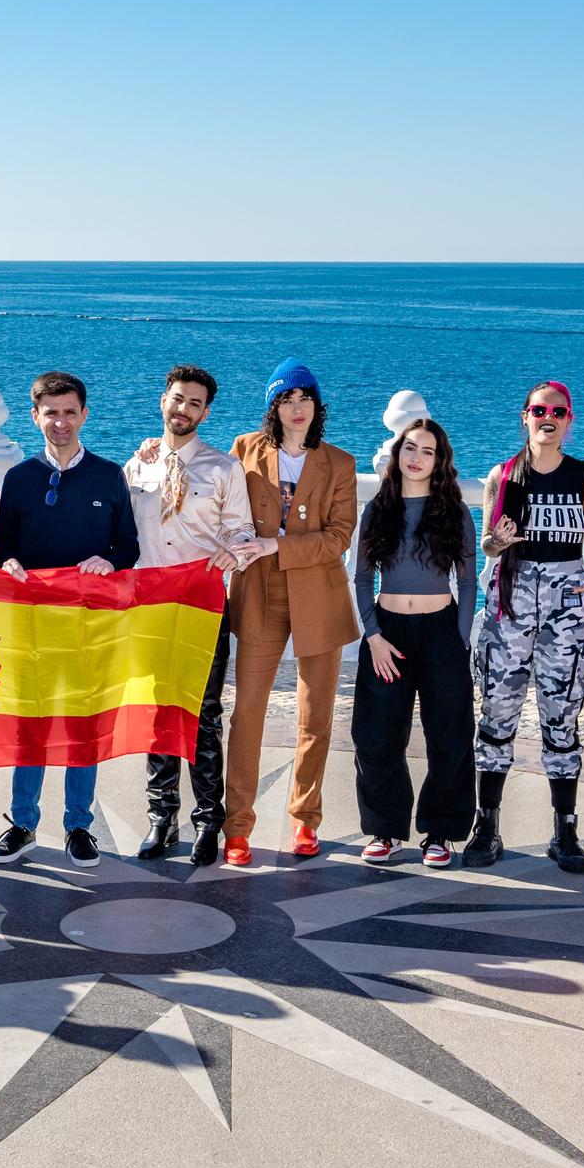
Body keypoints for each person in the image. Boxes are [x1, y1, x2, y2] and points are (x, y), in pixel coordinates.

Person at [0, 371, 141, 869]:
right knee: (29, 724)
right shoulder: (18, 479)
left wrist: (110, 562)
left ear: (84, 415)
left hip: (89, 624)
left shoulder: (108, 475)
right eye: (50, 413)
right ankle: (23, 823)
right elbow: (1, 546)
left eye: (70, 412)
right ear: (36, 417)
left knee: (81, 722)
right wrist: (7, 563)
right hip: (30, 623)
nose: (61, 421)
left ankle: (79, 824)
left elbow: (129, 546)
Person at [465, 382, 584, 874]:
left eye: (557, 411)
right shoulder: (502, 476)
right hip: (511, 605)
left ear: (569, 420)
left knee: (562, 717)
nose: (547, 418)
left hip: (566, 607)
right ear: (524, 417)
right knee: (496, 715)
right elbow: (488, 545)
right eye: (538, 410)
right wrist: (495, 543)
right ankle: (487, 825)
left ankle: (564, 829)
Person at [221, 357, 360, 866]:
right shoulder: (245, 450)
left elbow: (339, 538)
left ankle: (305, 819)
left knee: (314, 717)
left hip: (317, 598)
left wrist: (276, 545)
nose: (296, 409)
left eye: (305, 399)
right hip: (258, 595)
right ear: (272, 407)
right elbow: (208, 483)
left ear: (317, 406)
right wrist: (159, 452)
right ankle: (237, 827)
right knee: (248, 714)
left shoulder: (340, 464)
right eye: (286, 399)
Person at [123, 366, 256, 866]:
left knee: (204, 715)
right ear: (164, 401)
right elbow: (120, 537)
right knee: (158, 711)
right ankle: (162, 817)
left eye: (195, 403)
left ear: (206, 412)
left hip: (203, 606)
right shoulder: (136, 468)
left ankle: (207, 820)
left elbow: (243, 530)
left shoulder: (223, 469)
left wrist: (232, 550)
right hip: (149, 607)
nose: (184, 410)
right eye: (178, 399)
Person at [351, 417, 477, 868]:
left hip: (441, 632)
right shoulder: (378, 509)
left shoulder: (454, 511)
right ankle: (385, 830)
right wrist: (374, 636)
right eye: (410, 448)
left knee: (449, 736)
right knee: (376, 734)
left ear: (439, 460)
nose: (417, 457)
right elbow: (362, 577)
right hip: (388, 633)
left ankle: (440, 832)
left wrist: (459, 641)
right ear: (397, 454)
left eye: (428, 450)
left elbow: (468, 582)